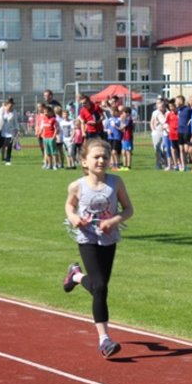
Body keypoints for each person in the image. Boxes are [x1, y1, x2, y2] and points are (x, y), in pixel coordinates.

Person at [62, 137, 134, 359]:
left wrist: (113, 221)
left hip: (109, 238)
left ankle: (75, 276)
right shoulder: (77, 186)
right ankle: (104, 340)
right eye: (96, 157)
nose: (101, 160)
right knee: (101, 287)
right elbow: (69, 205)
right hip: (87, 238)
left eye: (105, 156)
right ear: (84, 161)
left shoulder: (116, 182)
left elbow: (129, 209)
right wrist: (73, 217)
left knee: (99, 287)